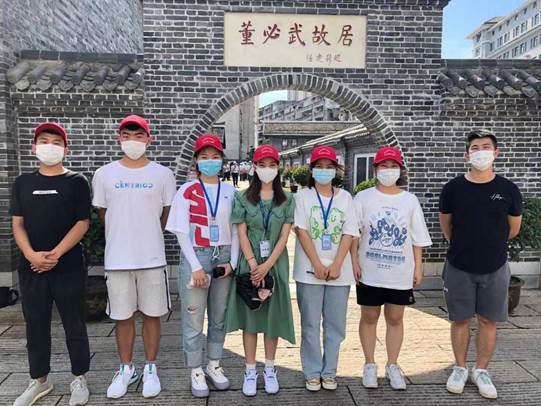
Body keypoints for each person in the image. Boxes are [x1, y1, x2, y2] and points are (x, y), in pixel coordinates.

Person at [92, 115, 177, 399]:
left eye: (139, 135)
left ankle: (151, 367)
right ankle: (126, 368)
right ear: (119, 138)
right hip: (117, 259)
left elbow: (166, 213)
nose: (133, 140)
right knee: (122, 317)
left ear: (148, 139)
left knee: (153, 315)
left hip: (152, 258)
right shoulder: (104, 174)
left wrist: (147, 232)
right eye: (127, 135)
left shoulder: (163, 174)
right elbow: (103, 214)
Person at [11, 122, 91, 406]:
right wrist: (31, 255)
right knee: (35, 325)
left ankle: (79, 377)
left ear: (66, 150)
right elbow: (17, 223)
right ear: (34, 147)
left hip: (68, 266)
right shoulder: (23, 182)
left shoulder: (77, 182)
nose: (50, 146)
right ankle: (40, 380)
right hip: (31, 267)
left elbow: (82, 223)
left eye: (57, 142)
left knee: (74, 323)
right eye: (44, 141)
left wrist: (55, 254)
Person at [439, 129, 522, 400]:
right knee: (460, 319)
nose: (481, 152)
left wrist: (489, 244)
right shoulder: (453, 189)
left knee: (488, 320)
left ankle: (482, 370)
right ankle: (460, 367)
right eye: (475, 148)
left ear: (496, 153)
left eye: (486, 147)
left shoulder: (508, 190)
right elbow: (446, 226)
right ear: (467, 155)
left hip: (495, 266)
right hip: (459, 264)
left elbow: (513, 229)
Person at [351, 146, 432, 391]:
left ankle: (393, 365)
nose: (388, 170)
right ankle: (369, 364)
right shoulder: (363, 198)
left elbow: (417, 237)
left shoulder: (409, 200)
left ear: (400, 170)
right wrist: (354, 261)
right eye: (383, 166)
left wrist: (418, 267)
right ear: (375, 169)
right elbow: (353, 233)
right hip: (370, 271)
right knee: (369, 317)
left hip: (400, 272)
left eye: (393, 166)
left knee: (396, 318)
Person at [165, 134, 239, 398]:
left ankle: (214, 364)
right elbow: (181, 231)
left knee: (219, 316)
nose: (210, 161)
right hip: (197, 254)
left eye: (215, 157)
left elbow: (236, 230)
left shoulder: (231, 192)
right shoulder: (187, 191)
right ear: (196, 160)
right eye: (204, 157)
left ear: (222, 160)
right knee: (194, 317)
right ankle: (195, 369)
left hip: (224, 256)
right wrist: (196, 266)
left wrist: (233, 263)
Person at [224, 145, 295, 397]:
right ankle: (250, 370)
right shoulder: (242, 197)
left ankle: (270, 369)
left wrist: (267, 266)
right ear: (254, 167)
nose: (267, 169)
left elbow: (284, 237)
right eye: (262, 165)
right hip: (249, 264)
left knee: (272, 317)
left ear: (278, 167)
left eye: (272, 165)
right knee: (251, 318)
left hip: (275, 264)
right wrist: (254, 264)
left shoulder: (287, 199)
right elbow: (241, 232)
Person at [293, 145, 359, 392]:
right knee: (310, 324)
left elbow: (349, 232)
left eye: (328, 167)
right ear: (311, 170)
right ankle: (312, 372)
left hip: (339, 273)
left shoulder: (345, 198)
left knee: (335, 325)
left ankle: (329, 372)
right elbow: (301, 231)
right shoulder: (302, 197)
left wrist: (338, 263)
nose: (324, 171)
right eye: (319, 166)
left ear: (336, 170)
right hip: (309, 271)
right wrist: (317, 264)